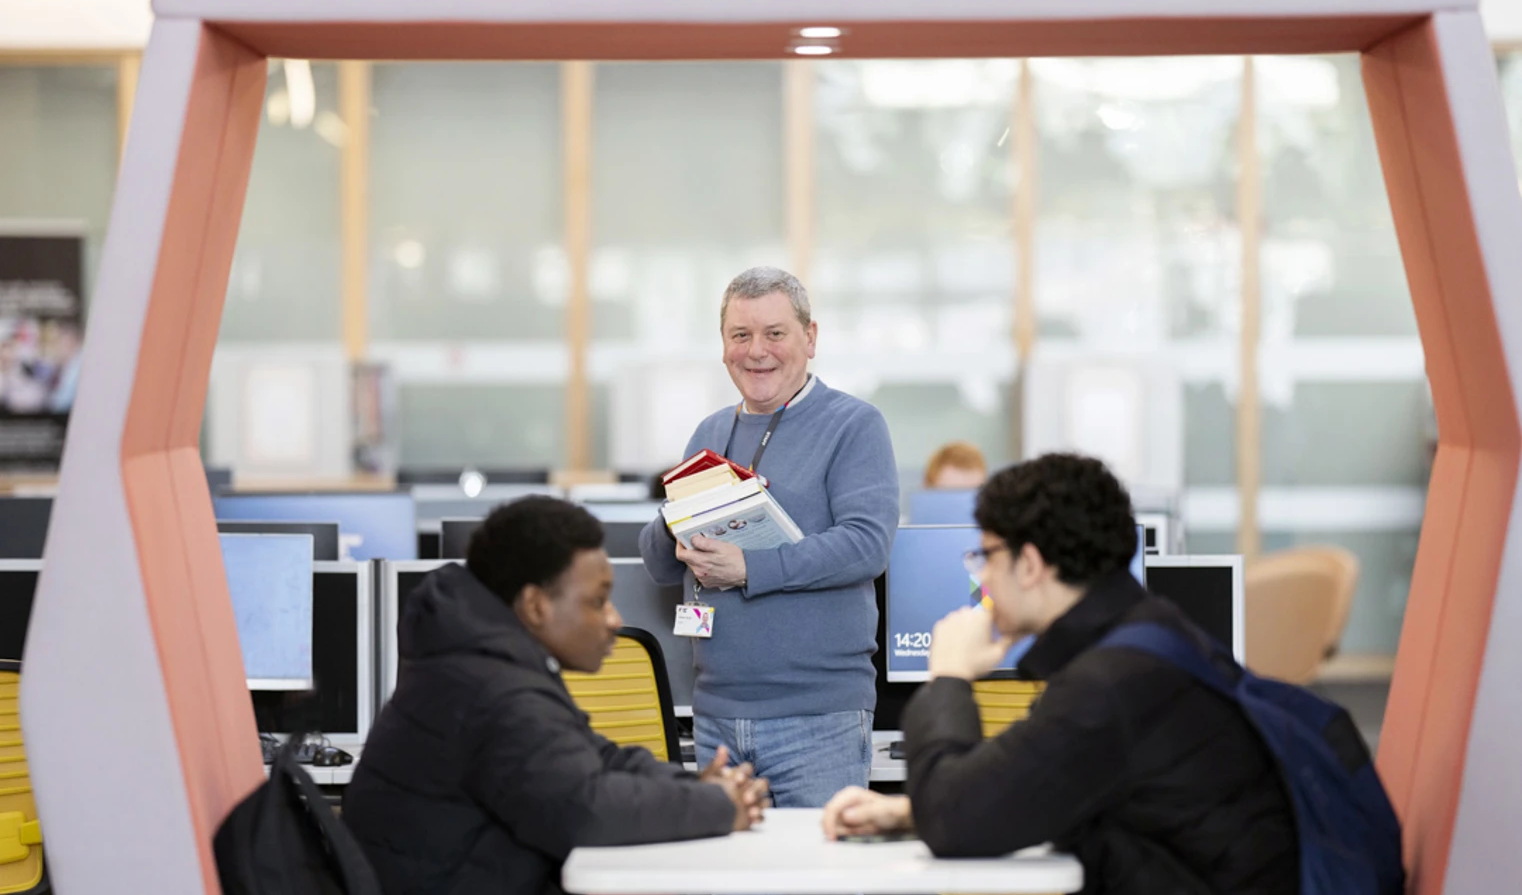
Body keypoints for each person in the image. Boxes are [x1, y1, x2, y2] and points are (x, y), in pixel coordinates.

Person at [821, 453, 1299, 895]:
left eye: (986, 556)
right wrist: (911, 812)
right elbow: (1050, 784)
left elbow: (955, 824)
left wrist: (948, 675)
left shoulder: (1110, 683)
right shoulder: (1150, 637)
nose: (982, 577)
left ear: (1028, 564)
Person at [345, 496, 769, 895]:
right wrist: (715, 806)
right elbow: (587, 811)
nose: (613, 619)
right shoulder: (491, 690)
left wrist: (692, 784)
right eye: (597, 601)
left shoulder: (485, 659)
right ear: (535, 606)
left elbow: (594, 757)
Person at [639, 266, 899, 808]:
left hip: (818, 720)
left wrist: (750, 568)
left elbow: (866, 544)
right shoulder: (710, 433)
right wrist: (676, 522)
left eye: (775, 333)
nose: (757, 351)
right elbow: (661, 565)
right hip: (716, 718)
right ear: (724, 345)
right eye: (741, 335)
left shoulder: (853, 426)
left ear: (810, 338)